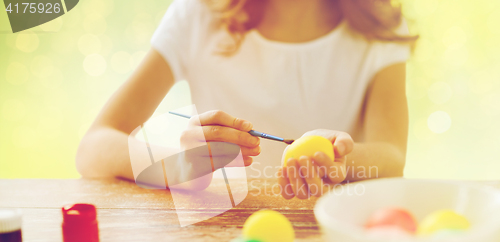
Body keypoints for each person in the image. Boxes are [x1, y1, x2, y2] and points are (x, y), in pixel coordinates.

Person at [76, 0, 417, 199]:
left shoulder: (378, 26)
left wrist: (342, 159)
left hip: (332, 236)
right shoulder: (200, 14)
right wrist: (179, 166)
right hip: (220, 236)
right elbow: (93, 148)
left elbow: (392, 157)